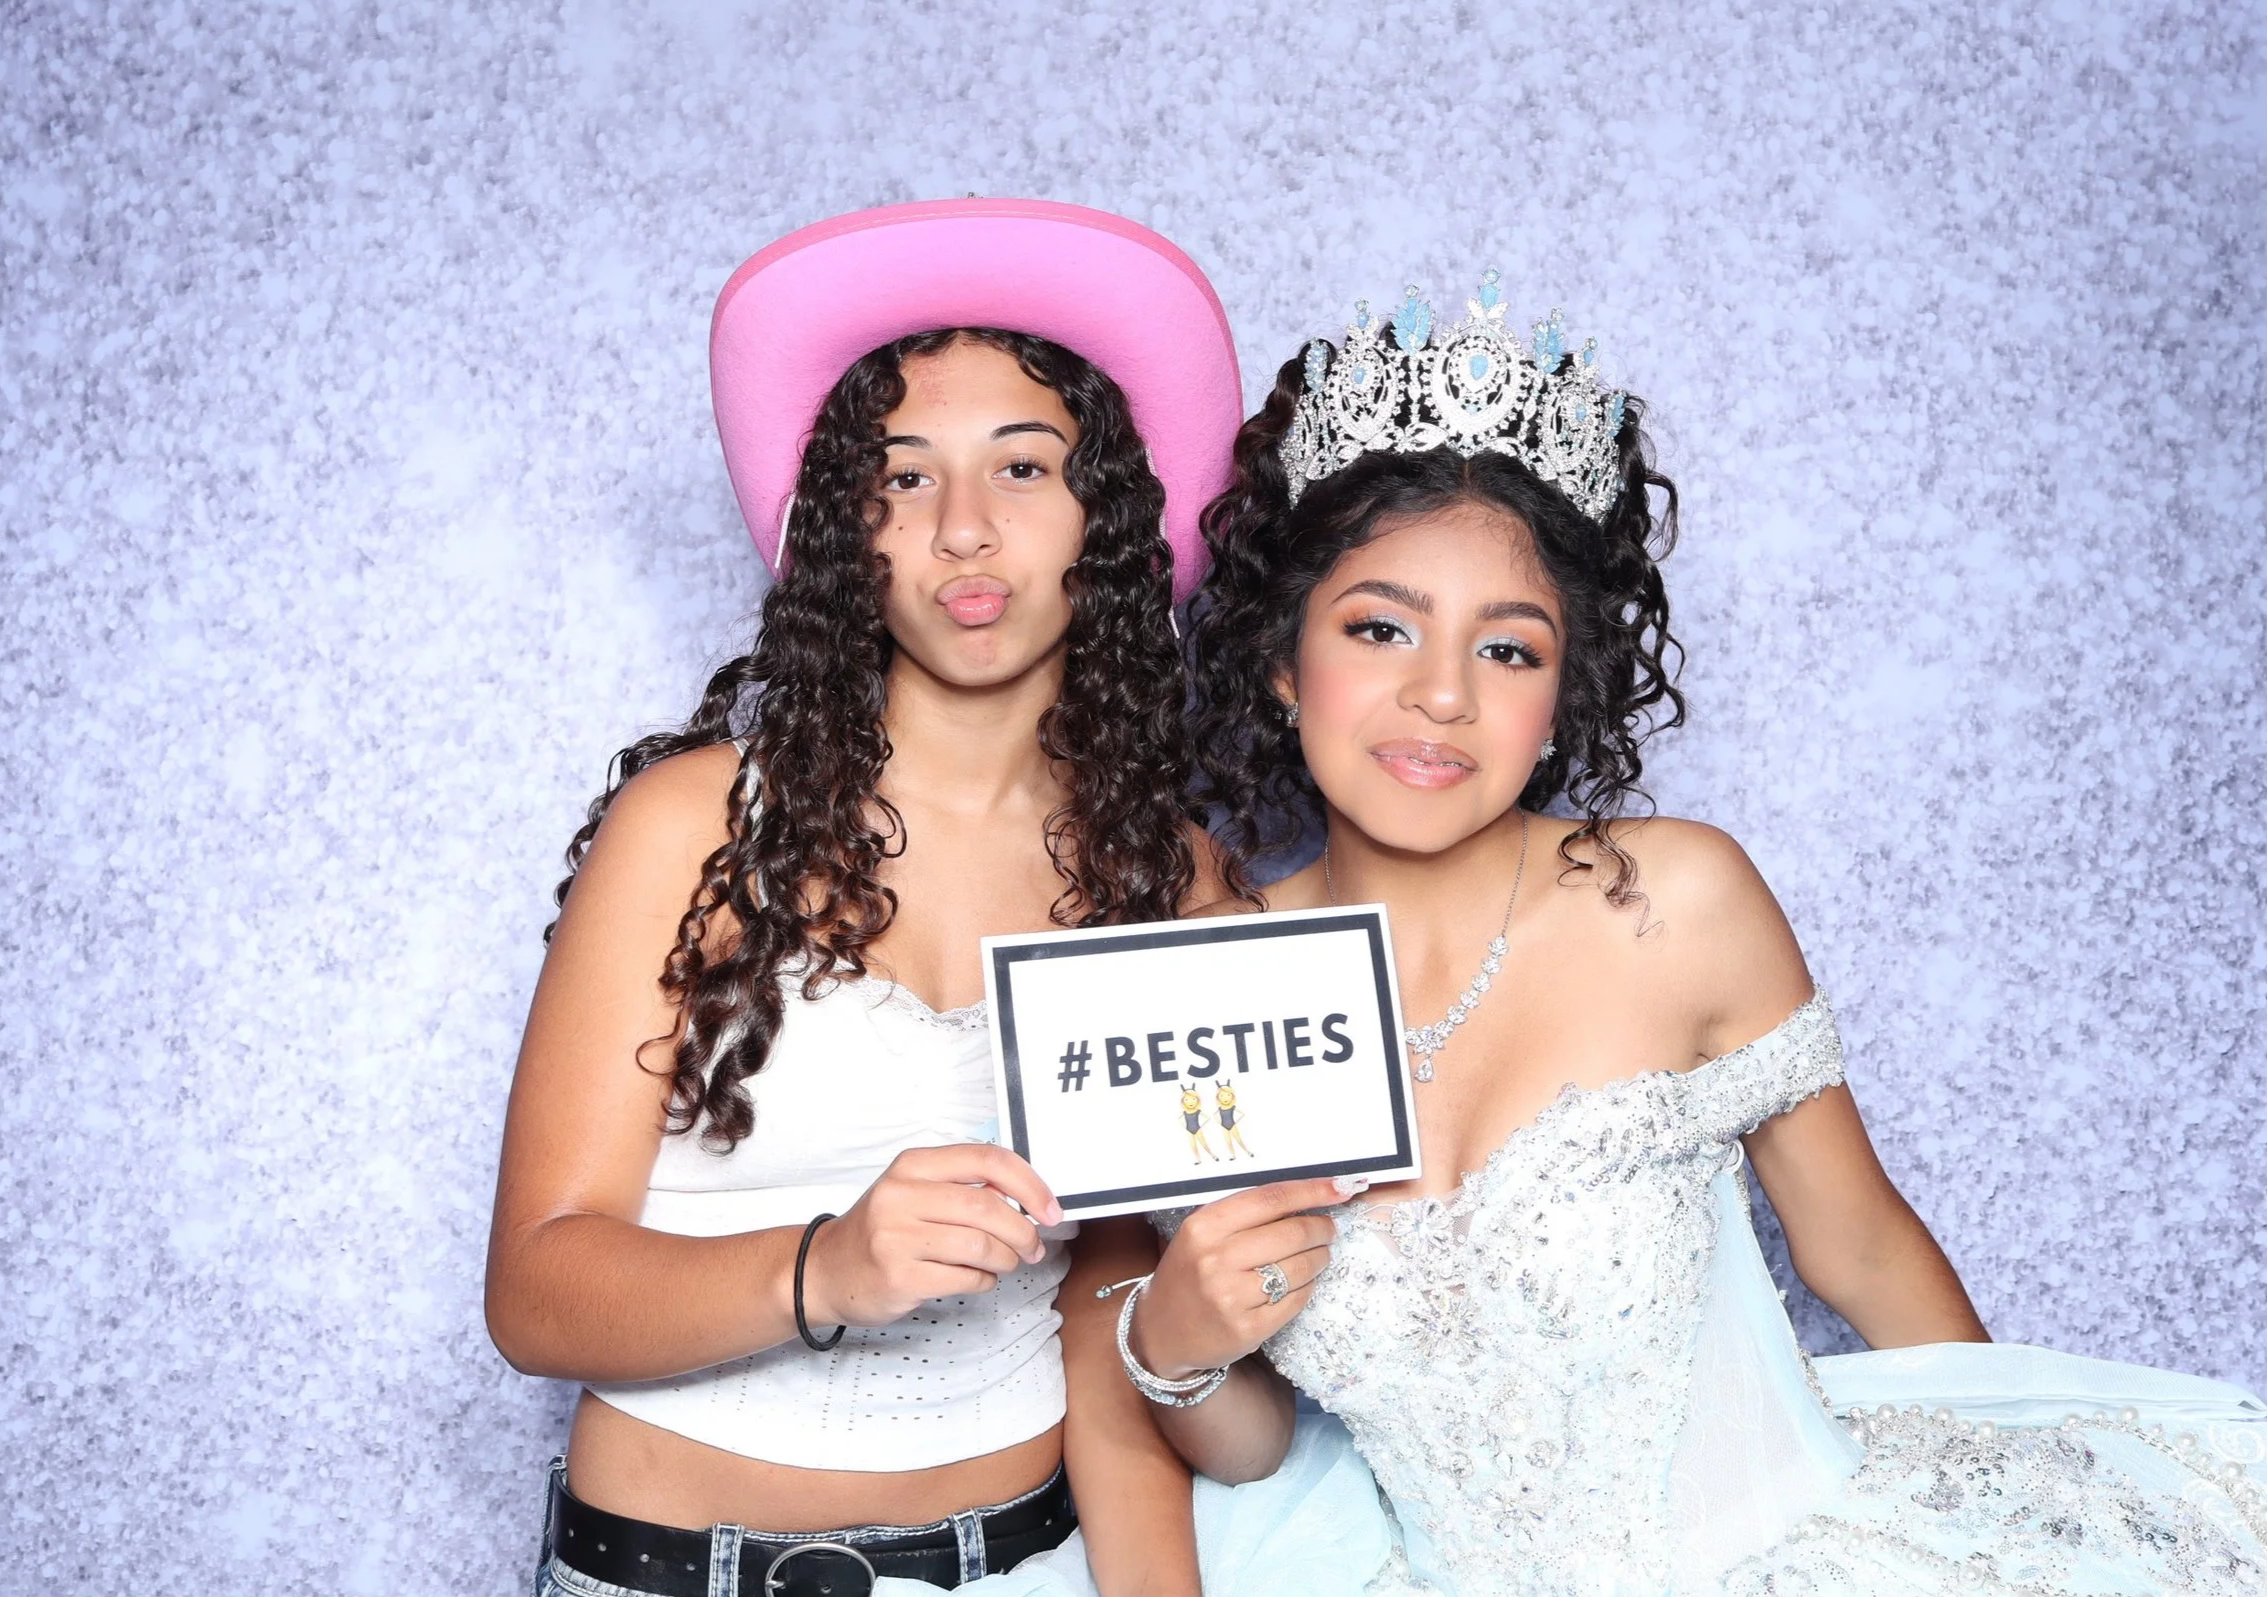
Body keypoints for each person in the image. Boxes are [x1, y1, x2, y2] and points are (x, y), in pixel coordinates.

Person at [1118, 279, 2267, 1594]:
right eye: (1378, 629)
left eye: (1507, 651)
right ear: (1281, 657)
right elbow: (1257, 1446)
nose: (1437, 694)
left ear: (1558, 697)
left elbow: (1858, 1250)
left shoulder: (1670, 901)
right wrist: (1176, 1345)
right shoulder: (1207, 987)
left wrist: (2018, 1524)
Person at [483, 199, 1249, 1597]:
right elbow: (536, 1293)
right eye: (902, 479)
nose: (964, 530)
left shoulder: (1170, 880)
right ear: (844, 531)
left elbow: (1109, 1310)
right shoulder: (693, 830)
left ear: (1109, 510)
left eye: (1024, 467)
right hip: (677, 1568)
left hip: (1019, 1566)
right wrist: (826, 1270)